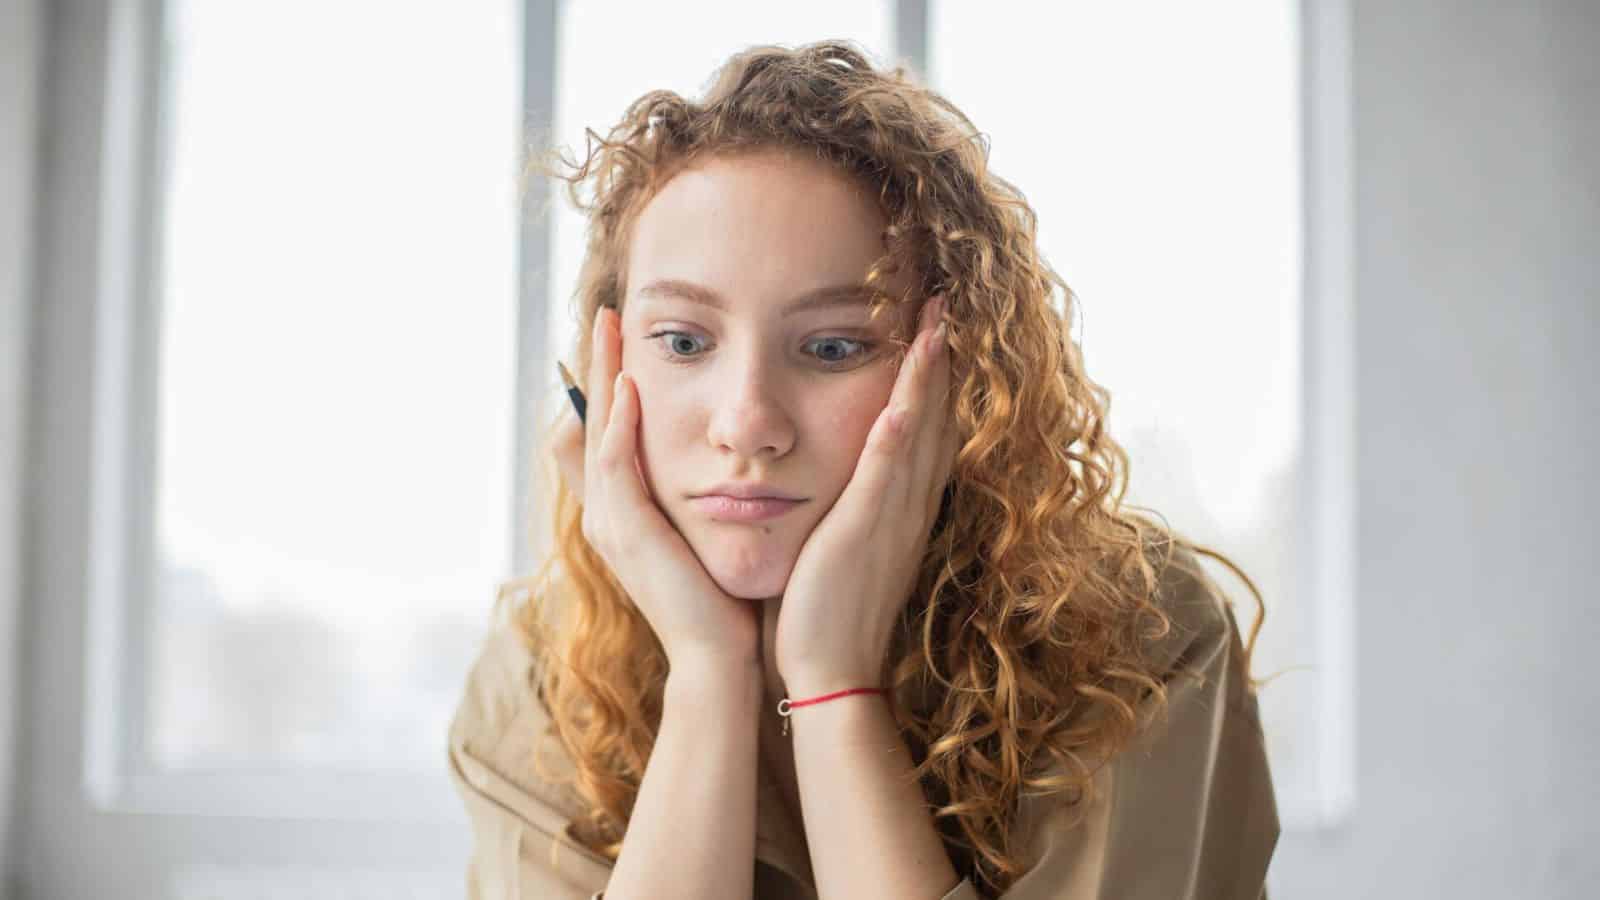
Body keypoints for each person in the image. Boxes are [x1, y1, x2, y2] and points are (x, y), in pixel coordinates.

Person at [447, 40, 1280, 900]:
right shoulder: (541, 681)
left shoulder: (1138, 642)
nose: (748, 425)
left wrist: (835, 692)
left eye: (833, 346)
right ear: (607, 369)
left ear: (960, 375)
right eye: (685, 342)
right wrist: (709, 676)